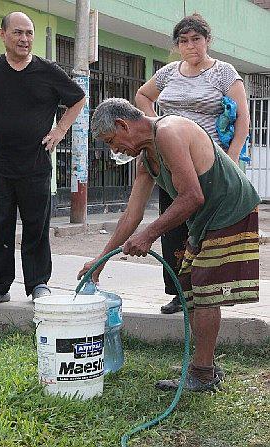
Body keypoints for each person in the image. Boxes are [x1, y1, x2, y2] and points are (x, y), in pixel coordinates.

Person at [79, 98, 260, 391]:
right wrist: (99, 261)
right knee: (188, 287)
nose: (115, 151)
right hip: (205, 217)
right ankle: (204, 363)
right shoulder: (145, 159)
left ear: (124, 125)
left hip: (230, 209)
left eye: (113, 142)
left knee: (205, 291)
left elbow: (192, 196)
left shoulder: (169, 132)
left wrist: (148, 235)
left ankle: (202, 373)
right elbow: (131, 215)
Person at [135, 13, 250, 315]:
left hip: (208, 165)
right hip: (171, 162)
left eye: (196, 39)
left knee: (205, 230)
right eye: (184, 41)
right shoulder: (170, 72)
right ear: (177, 46)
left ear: (207, 40)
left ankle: (206, 293)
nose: (191, 46)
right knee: (173, 228)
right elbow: (142, 95)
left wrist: (234, 158)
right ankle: (178, 292)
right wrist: (157, 122)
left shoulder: (224, 73)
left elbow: (243, 121)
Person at [0, 12, 85, 306]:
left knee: (36, 226)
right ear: (3, 35)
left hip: (36, 165)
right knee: (0, 226)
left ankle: (38, 283)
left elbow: (79, 98)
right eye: (17, 32)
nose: (24, 39)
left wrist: (61, 129)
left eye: (29, 33)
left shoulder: (48, 71)